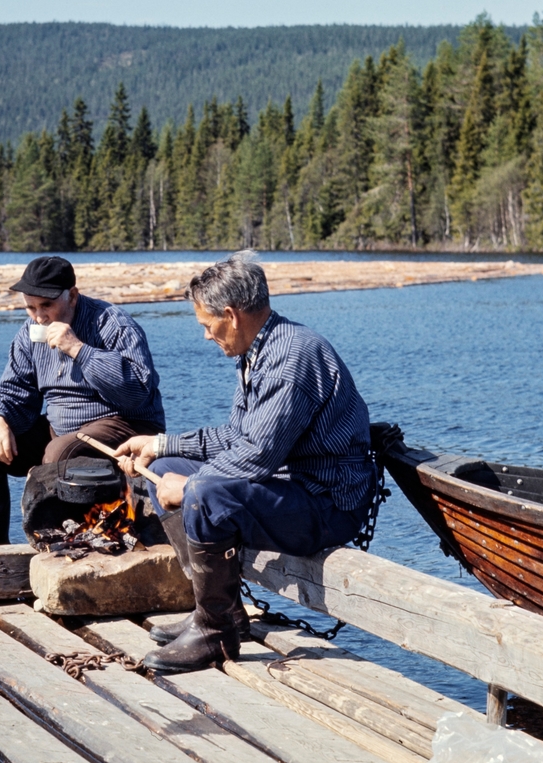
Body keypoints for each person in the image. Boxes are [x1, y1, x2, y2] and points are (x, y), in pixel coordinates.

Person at [115, 251, 375, 673]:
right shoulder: (259, 348)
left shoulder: (291, 359)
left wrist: (188, 487)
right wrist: (160, 445)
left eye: (207, 325)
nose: (205, 336)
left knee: (201, 492)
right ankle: (217, 610)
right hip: (291, 488)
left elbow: (256, 456)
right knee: (162, 470)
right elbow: (239, 438)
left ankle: (217, 635)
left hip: (326, 504)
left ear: (231, 316)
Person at [0, 255, 165, 545]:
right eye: (31, 307)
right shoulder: (29, 332)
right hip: (64, 428)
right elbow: (14, 388)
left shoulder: (114, 324)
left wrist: (78, 349)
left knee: (61, 454)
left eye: (46, 305)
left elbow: (136, 393)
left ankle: (58, 544)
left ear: (72, 296)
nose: (38, 316)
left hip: (124, 424)